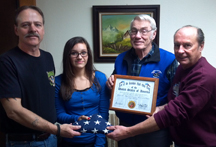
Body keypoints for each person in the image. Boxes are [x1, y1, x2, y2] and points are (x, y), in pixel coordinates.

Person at [107, 25, 216, 147]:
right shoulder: (183, 68)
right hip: (183, 140)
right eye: (177, 45)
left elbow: (174, 113)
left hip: (200, 143)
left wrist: (128, 132)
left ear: (201, 46)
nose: (180, 50)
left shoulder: (203, 77)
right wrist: (160, 108)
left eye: (187, 45)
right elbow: (176, 100)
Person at [0, 6, 81, 147]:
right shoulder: (7, 62)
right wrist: (57, 129)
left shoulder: (47, 58)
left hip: (51, 139)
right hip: (24, 142)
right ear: (16, 30)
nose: (32, 29)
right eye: (25, 25)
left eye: (37, 24)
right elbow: (13, 111)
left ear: (43, 29)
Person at [106, 14, 178, 147]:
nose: (138, 36)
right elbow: (114, 86)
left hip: (155, 130)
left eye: (144, 31)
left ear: (154, 34)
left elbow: (178, 98)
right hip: (125, 128)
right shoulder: (120, 59)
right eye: (134, 31)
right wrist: (110, 83)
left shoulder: (169, 60)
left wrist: (161, 108)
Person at [55, 36, 110, 147]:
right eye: (74, 53)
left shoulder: (100, 78)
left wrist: (99, 144)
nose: (79, 57)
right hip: (69, 141)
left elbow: (103, 114)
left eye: (83, 52)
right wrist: (76, 118)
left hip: (96, 141)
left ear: (88, 55)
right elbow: (59, 114)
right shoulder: (58, 82)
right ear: (68, 56)